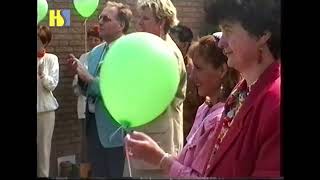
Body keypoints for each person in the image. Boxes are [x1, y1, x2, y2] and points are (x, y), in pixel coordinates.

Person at [127, 0, 281, 177]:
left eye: (228, 30)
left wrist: (162, 160)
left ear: (262, 34)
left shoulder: (275, 103)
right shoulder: (241, 92)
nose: (221, 42)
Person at [125, 34, 240, 177]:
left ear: (222, 70)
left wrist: (159, 158)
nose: (192, 76)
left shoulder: (219, 120)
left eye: (199, 68)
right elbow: (186, 163)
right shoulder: (204, 108)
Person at [67, 1, 133, 177]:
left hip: (116, 131)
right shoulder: (95, 51)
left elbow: (120, 89)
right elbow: (86, 88)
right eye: (99, 18)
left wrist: (89, 79)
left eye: (106, 18)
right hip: (93, 127)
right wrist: (81, 78)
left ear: (121, 25)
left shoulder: (128, 51)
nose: (100, 22)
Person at [122, 0, 187, 178]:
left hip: (158, 147)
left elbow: (156, 98)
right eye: (139, 18)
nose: (138, 23)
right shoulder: (147, 51)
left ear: (162, 22)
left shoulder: (167, 54)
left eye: (145, 18)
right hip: (142, 142)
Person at [72, 25, 103, 163]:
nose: (92, 42)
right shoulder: (83, 57)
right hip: (84, 107)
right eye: (90, 39)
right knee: (85, 143)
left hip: (100, 108)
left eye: (96, 40)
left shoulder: (104, 56)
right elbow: (76, 82)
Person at [170, 24, 203, 143]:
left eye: (172, 41)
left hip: (188, 138)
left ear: (184, 45)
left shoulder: (193, 73)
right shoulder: (165, 67)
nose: (168, 45)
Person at [37, 25, 59, 177]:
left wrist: (43, 75)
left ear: (46, 42)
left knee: (44, 150)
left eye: (40, 41)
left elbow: (52, 84)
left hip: (45, 111)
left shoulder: (51, 59)